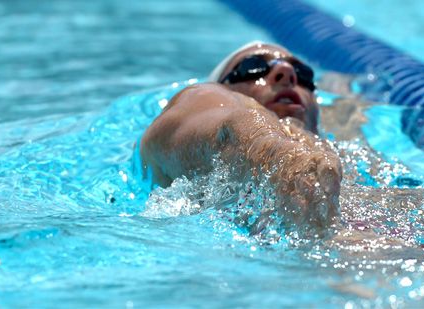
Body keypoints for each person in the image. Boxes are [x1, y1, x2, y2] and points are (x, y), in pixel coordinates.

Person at [138, 42, 342, 228]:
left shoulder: (341, 150)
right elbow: (229, 126)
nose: (287, 72)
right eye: (252, 67)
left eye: (303, 73)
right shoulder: (201, 100)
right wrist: (277, 154)